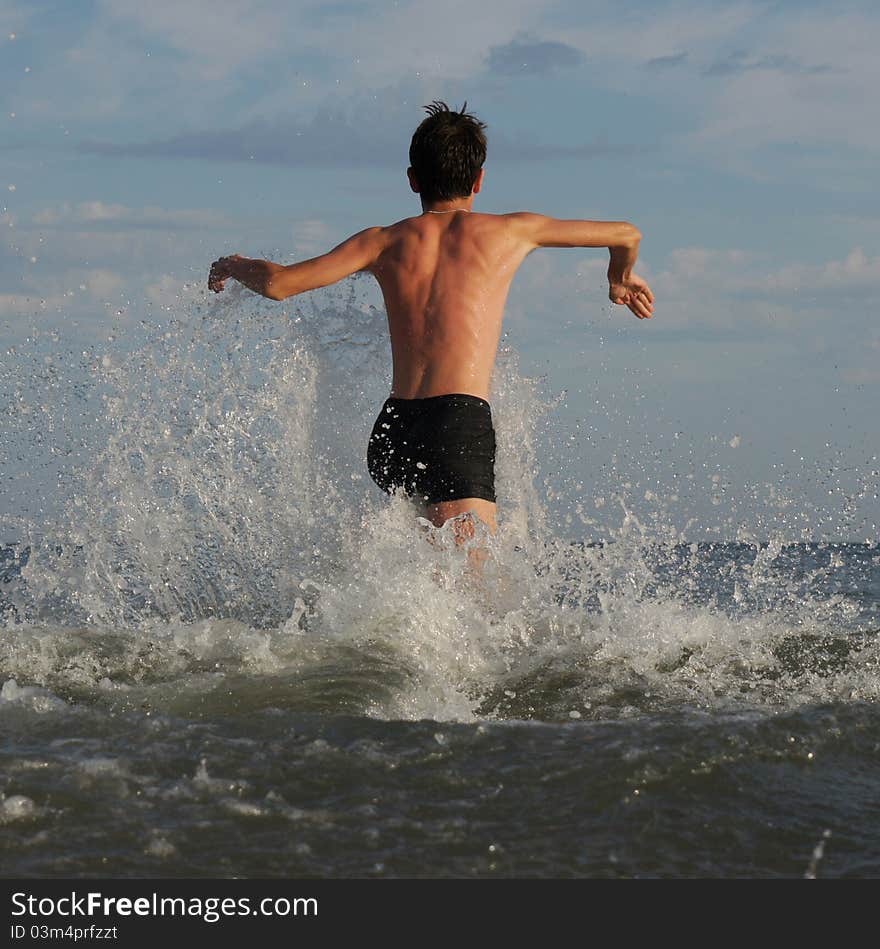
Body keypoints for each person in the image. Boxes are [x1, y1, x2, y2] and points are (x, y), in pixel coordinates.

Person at [208, 101, 654, 540]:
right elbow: (625, 234)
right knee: (472, 598)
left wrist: (233, 262)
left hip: (393, 429)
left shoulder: (382, 241)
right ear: (479, 181)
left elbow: (279, 284)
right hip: (457, 422)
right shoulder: (511, 231)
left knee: (417, 592)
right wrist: (619, 279)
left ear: (412, 180)